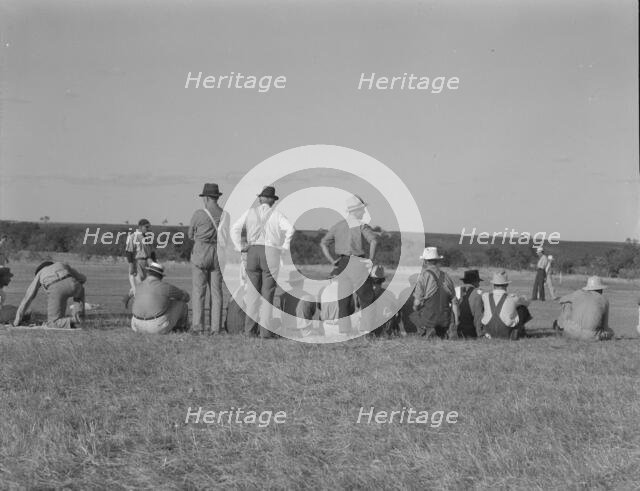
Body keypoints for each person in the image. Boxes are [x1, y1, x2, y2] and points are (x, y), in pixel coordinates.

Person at [231, 186, 295, 338]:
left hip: (252, 251)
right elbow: (291, 229)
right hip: (271, 252)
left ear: (260, 199)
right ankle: (265, 331)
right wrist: (284, 247)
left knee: (252, 293)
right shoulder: (277, 214)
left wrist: (240, 247)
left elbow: (234, 228)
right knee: (268, 294)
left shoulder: (249, 213)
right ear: (272, 200)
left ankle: (249, 331)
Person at [320, 195, 379, 334]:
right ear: (357, 210)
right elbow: (374, 241)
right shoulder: (361, 225)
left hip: (342, 263)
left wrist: (332, 261)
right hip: (358, 262)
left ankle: (344, 332)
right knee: (366, 298)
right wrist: (371, 259)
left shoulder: (337, 226)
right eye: (363, 210)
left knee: (343, 300)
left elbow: (323, 243)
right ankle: (366, 331)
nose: (364, 212)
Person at [188, 183, 229, 336]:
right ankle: (215, 328)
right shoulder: (225, 215)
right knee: (217, 292)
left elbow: (189, 234)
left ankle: (198, 326)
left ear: (205, 198)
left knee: (199, 291)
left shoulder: (199, 214)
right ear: (217, 197)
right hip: (218, 253)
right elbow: (226, 237)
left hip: (200, 252)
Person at [13, 261, 86, 329]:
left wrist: (17, 320)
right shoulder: (61, 264)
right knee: (79, 294)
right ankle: (79, 317)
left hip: (56, 288)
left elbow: (28, 296)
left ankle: (74, 320)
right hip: (75, 284)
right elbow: (83, 278)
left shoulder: (40, 273)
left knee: (53, 323)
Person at [410, 247, 459, 339]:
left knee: (413, 316)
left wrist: (416, 308)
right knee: (440, 320)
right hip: (445, 318)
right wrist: (456, 322)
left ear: (425, 262)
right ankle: (443, 331)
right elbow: (454, 302)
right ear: (437, 261)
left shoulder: (423, 277)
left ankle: (426, 330)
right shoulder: (447, 277)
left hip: (429, 317)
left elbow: (417, 302)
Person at [131, 262, 190, 334]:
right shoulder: (166, 287)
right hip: (155, 327)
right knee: (182, 304)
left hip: (136, 326)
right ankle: (180, 329)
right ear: (161, 276)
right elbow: (186, 298)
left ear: (148, 273)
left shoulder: (139, 286)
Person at [554, 276, 614, 341]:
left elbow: (561, 300)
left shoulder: (578, 293)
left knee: (567, 304)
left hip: (570, 332)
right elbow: (605, 327)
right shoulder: (604, 300)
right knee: (611, 332)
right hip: (591, 336)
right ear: (601, 289)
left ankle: (560, 325)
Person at [481, 271, 531, 339]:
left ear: (493, 284)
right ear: (507, 285)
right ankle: (518, 331)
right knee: (522, 309)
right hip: (506, 331)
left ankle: (486, 334)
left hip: (489, 330)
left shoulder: (485, 296)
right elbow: (527, 303)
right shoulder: (513, 298)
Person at [279, 270, 322, 338]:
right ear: (302, 282)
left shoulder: (283, 296)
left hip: (288, 331)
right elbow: (313, 313)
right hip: (305, 332)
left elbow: (282, 312)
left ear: (290, 283)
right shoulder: (309, 297)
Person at [123, 219, 156, 306]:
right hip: (137, 262)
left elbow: (152, 252)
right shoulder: (133, 236)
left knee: (146, 285)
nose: (148, 229)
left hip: (147, 263)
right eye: (146, 227)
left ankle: (127, 297)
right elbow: (129, 251)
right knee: (139, 287)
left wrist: (155, 265)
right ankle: (139, 310)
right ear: (140, 227)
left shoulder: (148, 237)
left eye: (149, 227)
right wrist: (131, 265)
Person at [369, 265, 398, 337]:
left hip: (370, 330)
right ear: (383, 280)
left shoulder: (365, 294)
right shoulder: (390, 294)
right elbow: (396, 312)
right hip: (385, 330)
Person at [456, 269, 484, 338]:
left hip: (456, 331)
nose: (479, 284)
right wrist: (480, 334)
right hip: (470, 332)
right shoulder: (478, 293)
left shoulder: (456, 290)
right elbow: (478, 317)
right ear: (475, 282)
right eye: (478, 282)